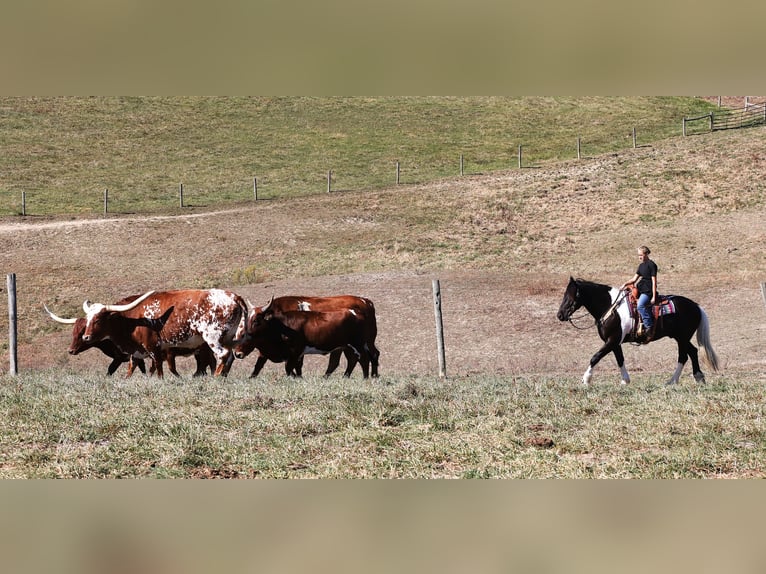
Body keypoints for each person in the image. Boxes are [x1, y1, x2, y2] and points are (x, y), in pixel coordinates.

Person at [621, 245, 658, 343]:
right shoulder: (641, 266)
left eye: (641, 255)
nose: (639, 257)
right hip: (640, 288)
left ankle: (649, 326)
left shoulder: (652, 265)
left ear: (646, 254)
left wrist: (653, 296)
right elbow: (634, 279)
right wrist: (625, 284)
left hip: (648, 291)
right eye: (638, 255)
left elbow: (654, 282)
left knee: (640, 305)